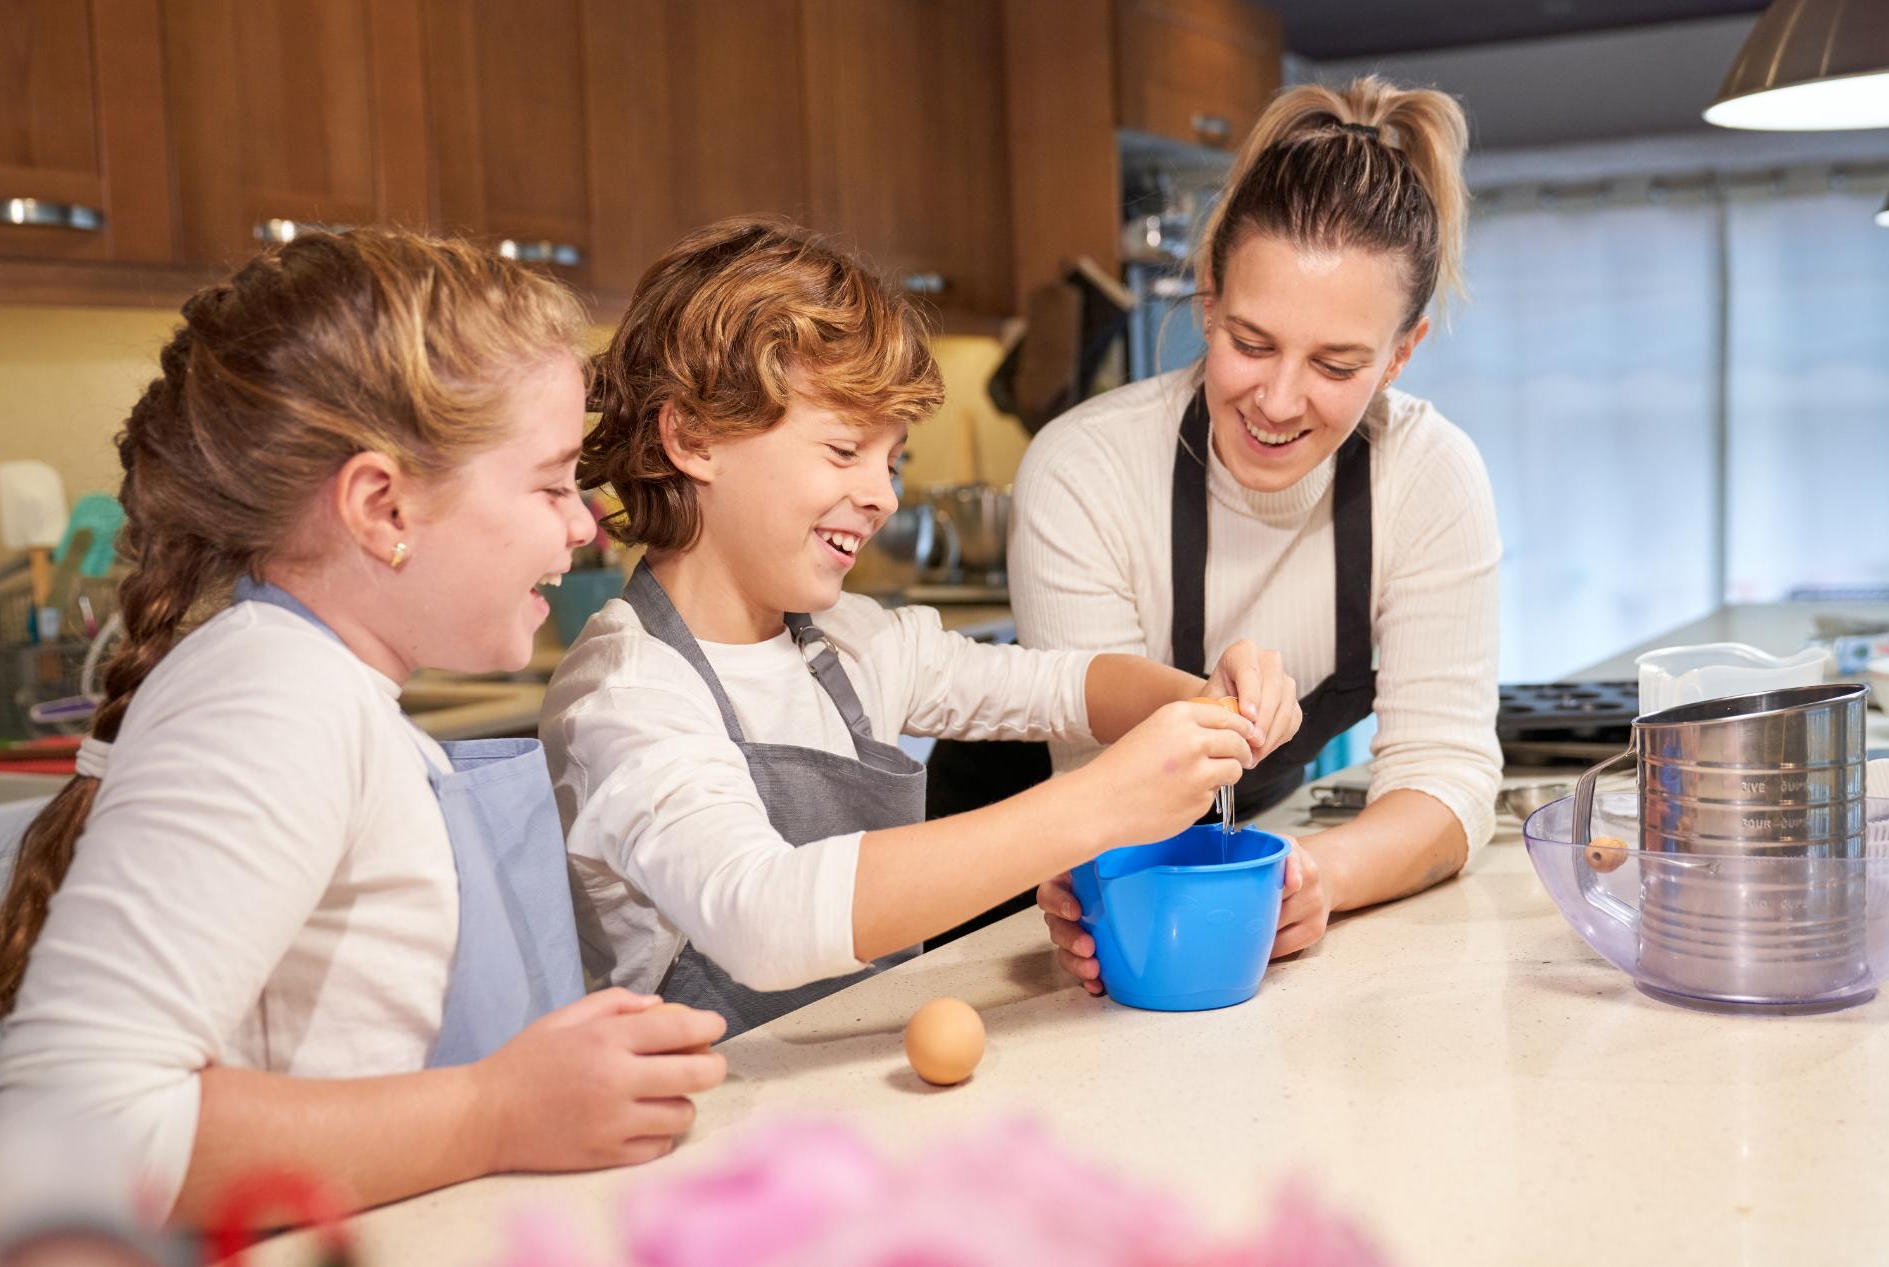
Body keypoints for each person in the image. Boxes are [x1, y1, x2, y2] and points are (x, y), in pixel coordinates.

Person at [0, 230, 725, 1229]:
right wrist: (493, 1112)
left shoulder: (323, 685)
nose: (585, 524)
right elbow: (61, 1137)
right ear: (382, 508)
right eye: (551, 483)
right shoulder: (275, 700)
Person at [540, 218, 1302, 1038]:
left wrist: (1204, 701)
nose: (884, 494)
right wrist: (1098, 804)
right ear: (693, 436)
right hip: (712, 1106)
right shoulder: (627, 692)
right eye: (844, 450)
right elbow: (758, 915)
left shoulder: (853, 641)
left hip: (860, 1084)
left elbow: (1061, 687)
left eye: (892, 460)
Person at [1014, 76, 1503, 987]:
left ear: (1401, 353)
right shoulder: (1085, 471)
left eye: (1336, 364)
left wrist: (1315, 878)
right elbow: (1102, 793)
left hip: (1220, 885)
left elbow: (1448, 776)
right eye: (1250, 343)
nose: (1278, 401)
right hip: (1045, 883)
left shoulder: (1430, 477)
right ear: (1208, 298)